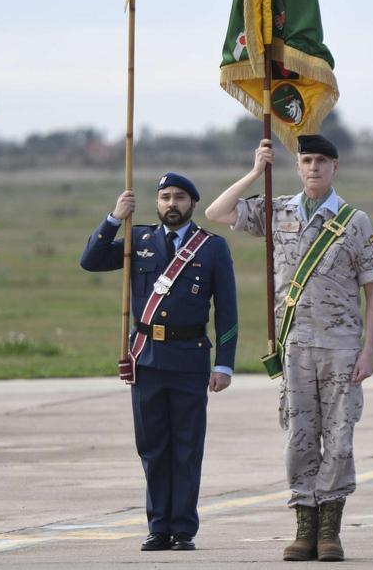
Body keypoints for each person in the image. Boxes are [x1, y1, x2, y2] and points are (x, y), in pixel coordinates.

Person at [204, 135, 373, 562]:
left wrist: (368, 350)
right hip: (296, 345)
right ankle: (304, 527)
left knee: (339, 439)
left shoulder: (354, 220)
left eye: (322, 160)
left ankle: (330, 531)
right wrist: (255, 171)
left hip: (341, 346)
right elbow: (217, 212)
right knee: (300, 439)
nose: (314, 167)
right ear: (298, 167)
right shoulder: (278, 209)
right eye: (306, 160)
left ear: (335, 167)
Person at [79, 172, 237, 552]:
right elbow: (91, 260)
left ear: (192, 203)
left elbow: (227, 310)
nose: (171, 203)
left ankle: (183, 529)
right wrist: (114, 219)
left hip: (189, 357)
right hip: (146, 357)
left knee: (186, 446)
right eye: (164, 197)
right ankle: (158, 527)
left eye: (179, 197)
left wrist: (224, 363)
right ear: (156, 202)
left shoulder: (212, 247)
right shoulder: (140, 239)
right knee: (152, 446)